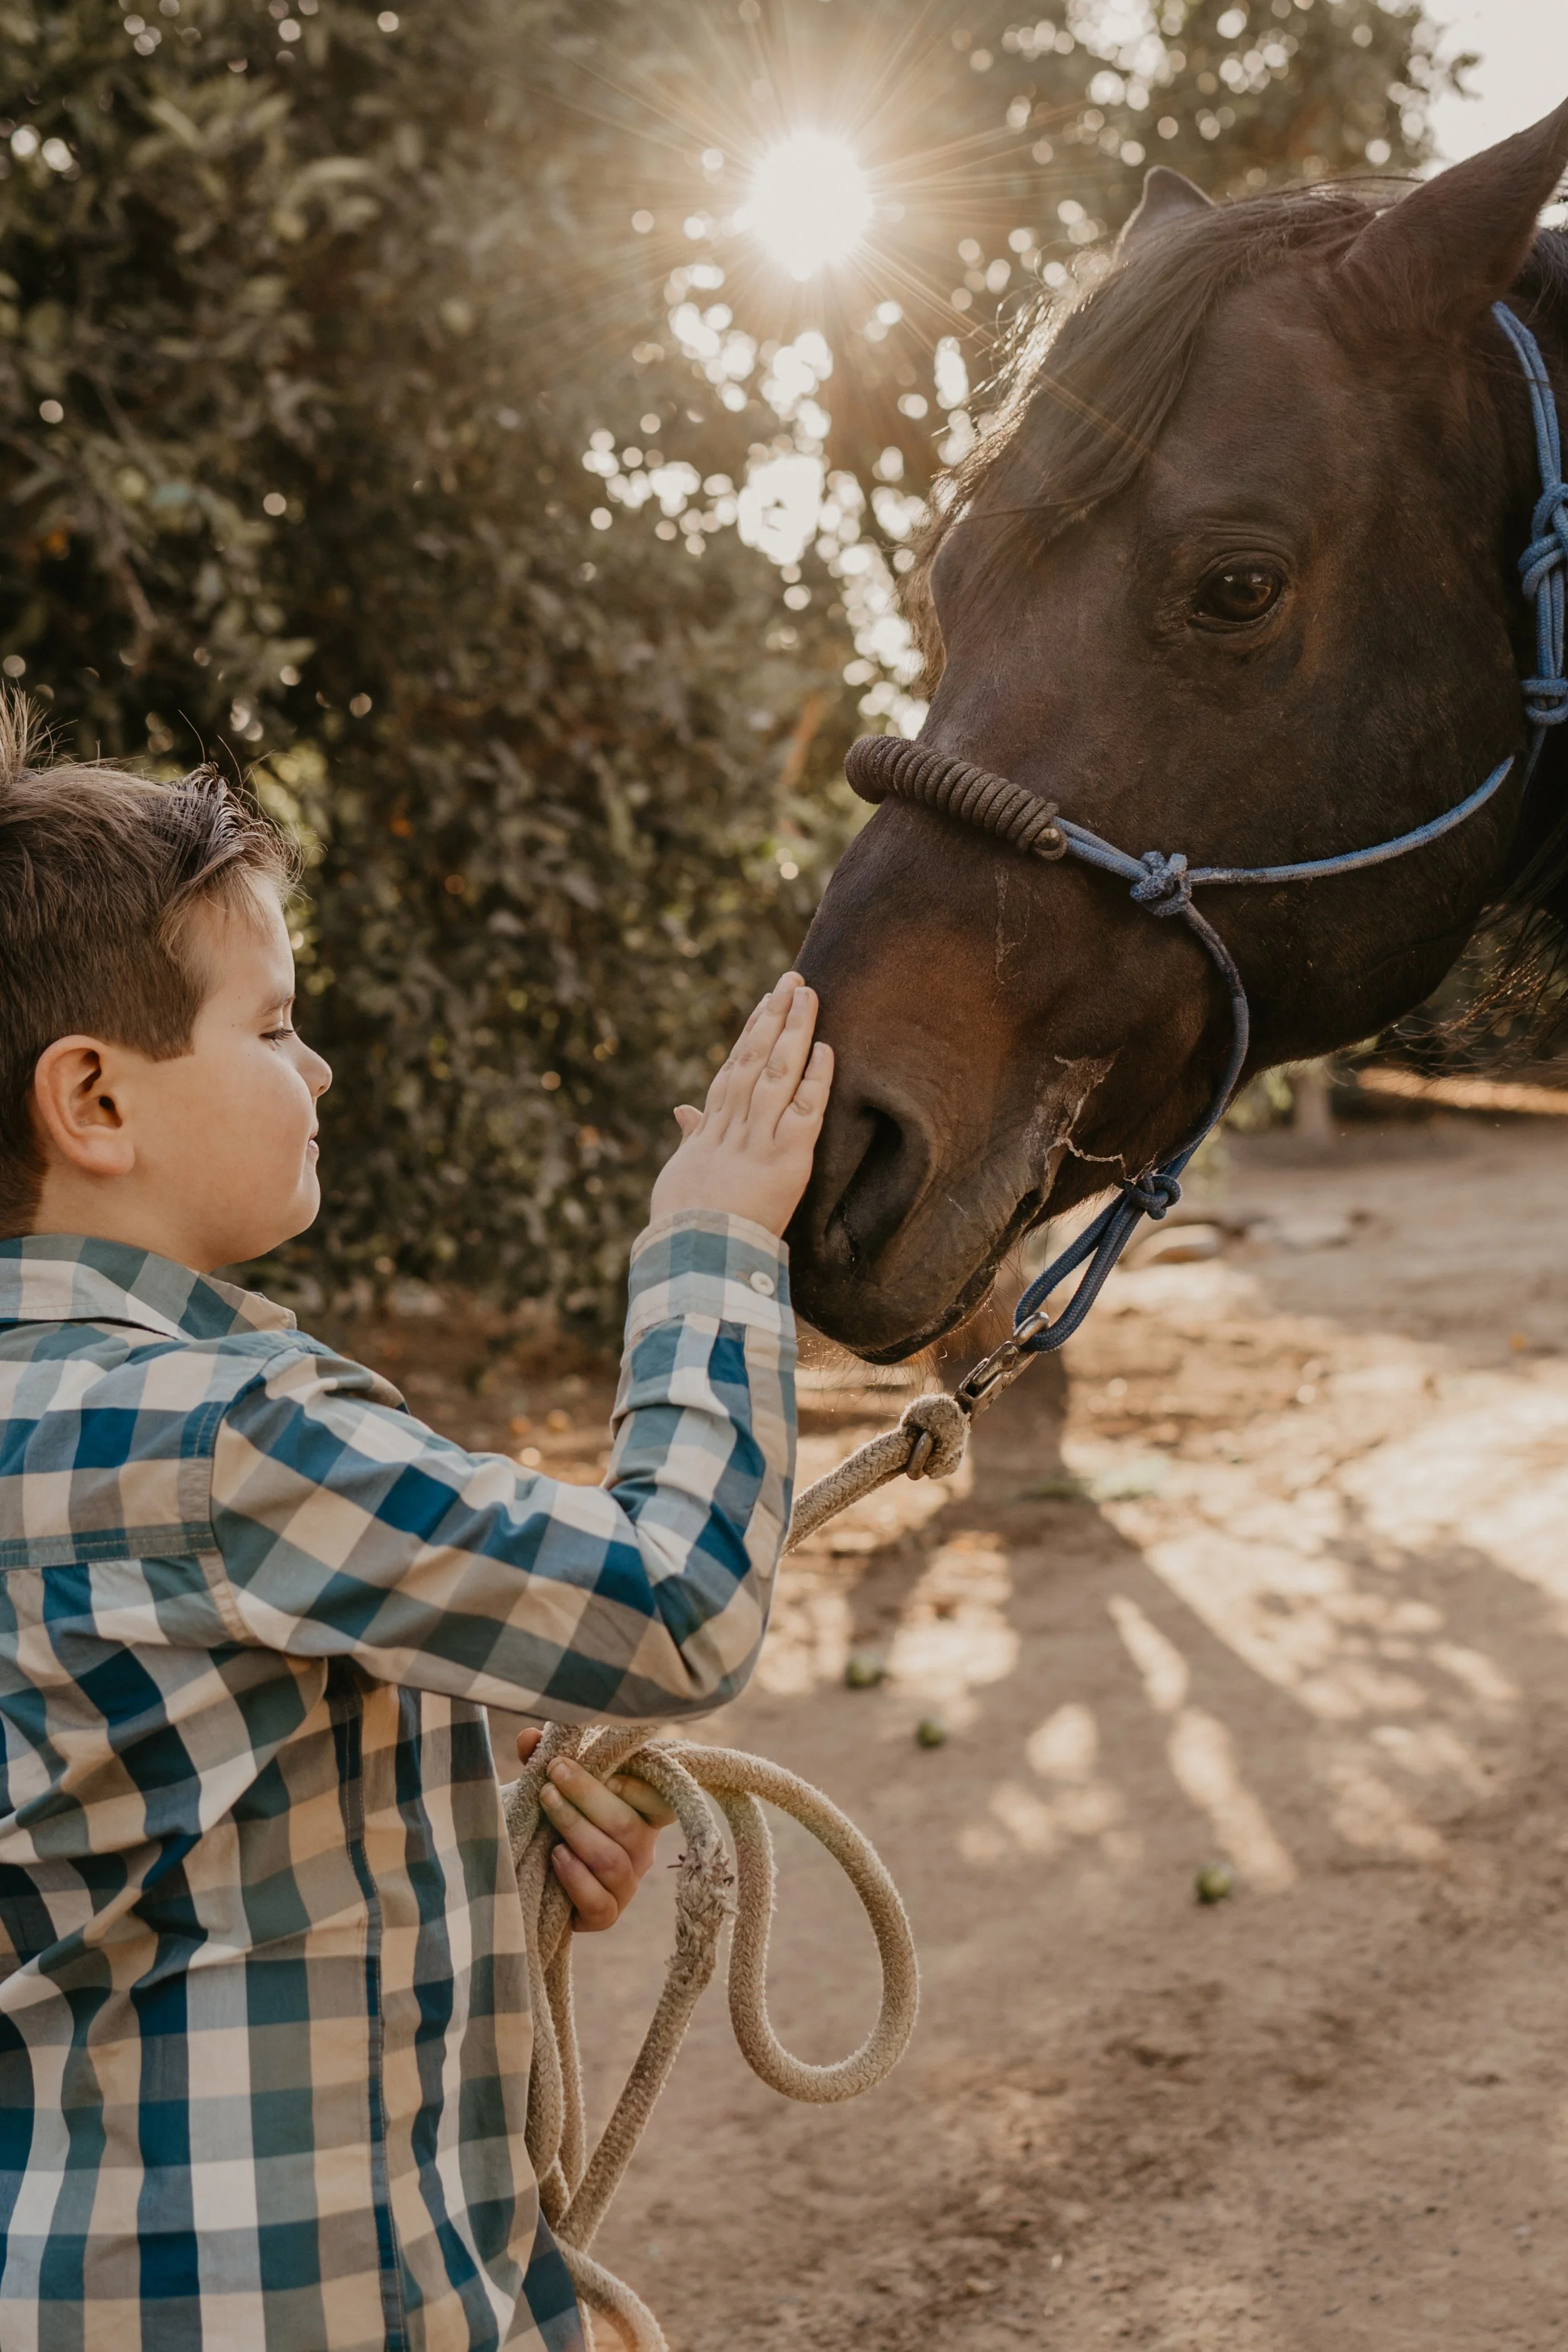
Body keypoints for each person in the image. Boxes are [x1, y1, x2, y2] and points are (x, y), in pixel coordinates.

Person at [0, 694, 831, 2352]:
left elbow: (143, 1836)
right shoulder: (219, 1438)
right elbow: (678, 1603)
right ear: (94, 1099)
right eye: (273, 1023)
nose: (315, 1067)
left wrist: (486, 1838)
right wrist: (711, 1241)